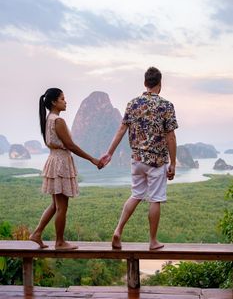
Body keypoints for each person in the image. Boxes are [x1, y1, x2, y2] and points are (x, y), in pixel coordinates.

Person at [100, 67, 178, 250]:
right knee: (155, 199)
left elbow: (121, 130)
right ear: (160, 84)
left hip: (137, 159)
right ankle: (152, 241)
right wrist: (173, 163)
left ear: (145, 83)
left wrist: (109, 153)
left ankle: (118, 230)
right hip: (157, 161)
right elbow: (171, 137)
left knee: (136, 195)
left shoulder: (132, 104)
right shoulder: (166, 105)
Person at [29, 88, 102, 250]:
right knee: (62, 206)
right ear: (54, 102)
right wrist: (92, 159)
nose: (65, 101)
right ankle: (60, 242)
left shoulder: (49, 119)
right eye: (62, 98)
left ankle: (37, 233)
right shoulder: (58, 121)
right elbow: (70, 145)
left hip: (54, 160)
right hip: (61, 163)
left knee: (55, 205)